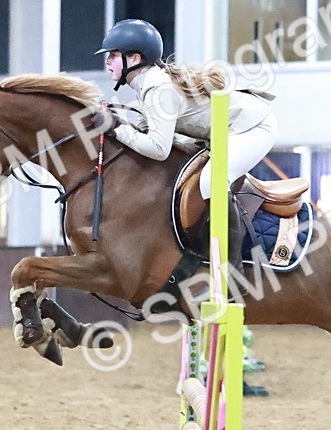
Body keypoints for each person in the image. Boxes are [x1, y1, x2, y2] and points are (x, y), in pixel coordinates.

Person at [94, 19, 278, 263]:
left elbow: (159, 149)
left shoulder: (158, 88)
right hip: (227, 131)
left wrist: (116, 129)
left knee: (212, 182)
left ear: (135, 59)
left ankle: (232, 269)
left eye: (113, 56)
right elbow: (143, 129)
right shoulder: (146, 85)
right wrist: (116, 122)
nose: (107, 62)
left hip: (253, 127)